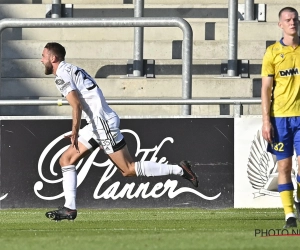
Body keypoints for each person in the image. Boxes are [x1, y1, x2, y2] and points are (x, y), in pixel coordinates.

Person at [41, 42, 199, 221]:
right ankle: (69, 208)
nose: (41, 60)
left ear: (53, 58)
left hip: (102, 124)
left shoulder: (61, 75)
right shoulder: (72, 69)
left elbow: (76, 104)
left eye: (43, 56)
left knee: (128, 169)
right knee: (66, 160)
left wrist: (75, 131)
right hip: (97, 124)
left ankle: (179, 170)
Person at [261, 6, 300, 228]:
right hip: (280, 119)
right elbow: (266, 89)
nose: (292, 22)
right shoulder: (273, 52)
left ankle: (299, 199)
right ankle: (289, 215)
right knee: (284, 167)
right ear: (280, 24)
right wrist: (266, 121)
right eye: (288, 19)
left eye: (295, 19)